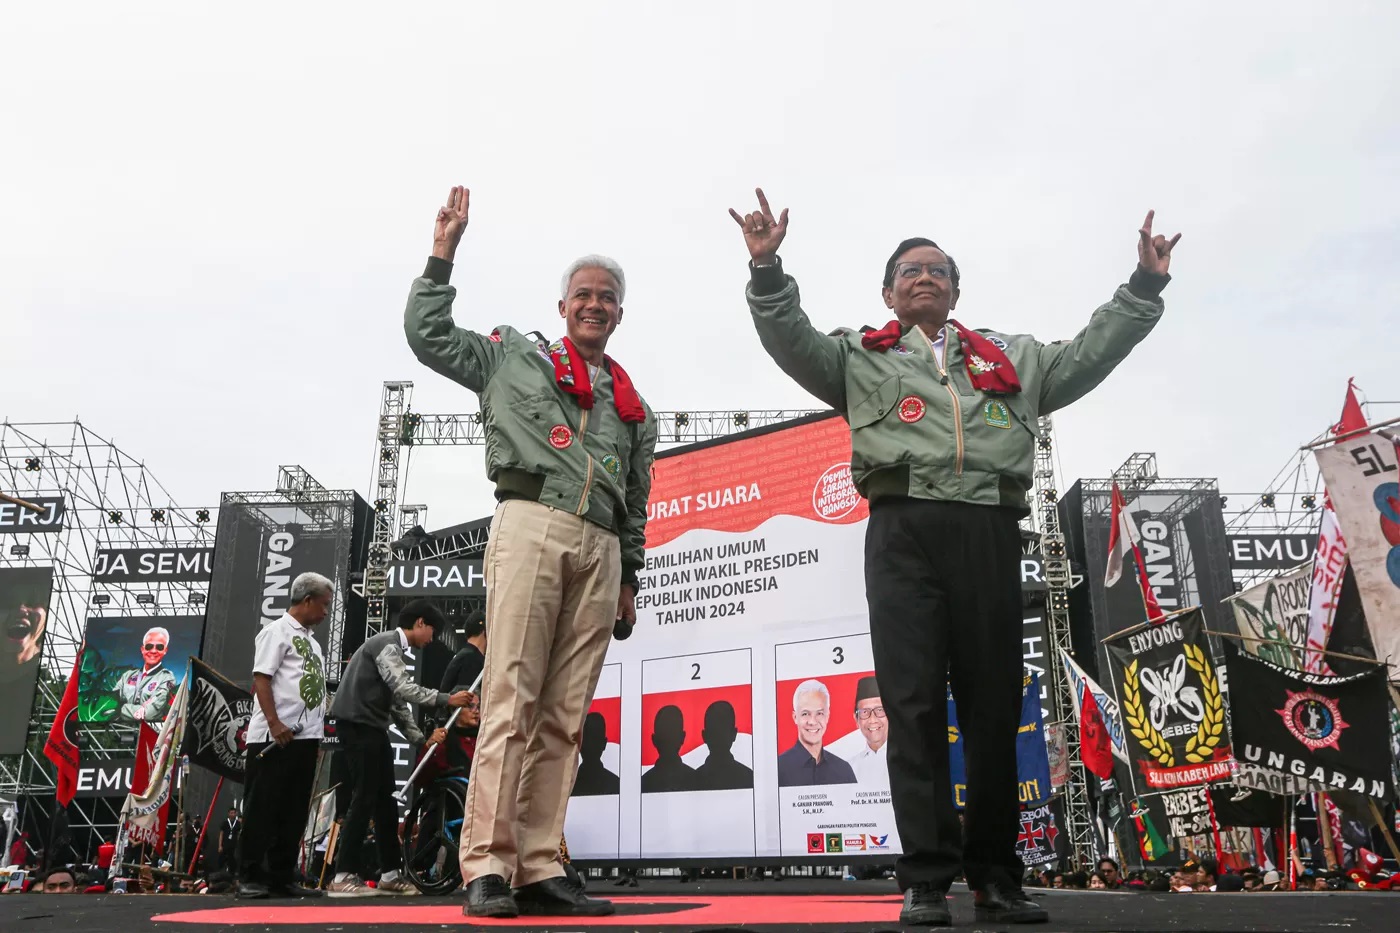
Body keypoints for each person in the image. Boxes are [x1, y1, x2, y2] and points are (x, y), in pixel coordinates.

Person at [733, 188, 1178, 926]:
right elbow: (791, 339)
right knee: (910, 706)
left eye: (937, 270)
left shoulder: (1014, 358)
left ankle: (996, 876)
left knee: (992, 706)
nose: (924, 277)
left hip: (988, 531)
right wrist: (767, 269)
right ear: (888, 292)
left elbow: (1089, 353)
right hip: (902, 532)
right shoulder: (859, 357)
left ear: (956, 289)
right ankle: (927, 879)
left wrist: (1143, 288)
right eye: (909, 271)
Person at [404, 186, 657, 919]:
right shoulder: (515, 356)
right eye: (584, 295)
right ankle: (487, 863)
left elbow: (638, 497)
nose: (595, 305)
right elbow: (428, 336)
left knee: (565, 715)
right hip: (530, 521)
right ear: (563, 306)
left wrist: (630, 577)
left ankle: (540, 864)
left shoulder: (634, 405)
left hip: (601, 545)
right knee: (510, 698)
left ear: (619, 313)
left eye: (607, 298)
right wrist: (442, 254)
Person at [326, 599, 471, 897]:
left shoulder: (392, 650)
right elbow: (404, 689)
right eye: (432, 632)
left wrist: (420, 740)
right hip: (358, 727)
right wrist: (447, 698)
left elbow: (397, 704)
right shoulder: (386, 644)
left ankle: (390, 873)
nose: (432, 639)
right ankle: (342, 875)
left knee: (386, 802)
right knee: (364, 797)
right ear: (420, 623)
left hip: (372, 729)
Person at [238, 572, 333, 899]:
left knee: (293, 810)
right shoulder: (275, 632)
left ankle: (282, 876)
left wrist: (316, 736)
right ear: (307, 600)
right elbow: (261, 678)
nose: (325, 612)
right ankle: (249, 875)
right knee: (262, 807)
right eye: (323, 605)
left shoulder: (313, 643)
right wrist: (274, 722)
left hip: (304, 738)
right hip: (273, 737)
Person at [777, 680, 856, 786]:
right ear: (795, 717)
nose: (812, 722)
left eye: (819, 713)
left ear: (827, 716)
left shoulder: (844, 771)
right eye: (805, 714)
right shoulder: (777, 769)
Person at [116, 626, 177, 723]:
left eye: (159, 647)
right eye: (149, 646)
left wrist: (122, 708)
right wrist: (138, 709)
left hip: (151, 731)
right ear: (142, 649)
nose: (153, 651)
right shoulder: (127, 676)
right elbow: (111, 705)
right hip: (119, 730)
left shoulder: (167, 678)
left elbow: (149, 713)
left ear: (165, 650)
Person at [693, 700, 753, 791]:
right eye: (715, 731)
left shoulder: (693, 780)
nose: (719, 736)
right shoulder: (748, 777)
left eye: (722, 731)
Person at [641, 706, 698, 793]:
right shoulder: (696, 779)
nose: (668, 739)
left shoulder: (644, 782)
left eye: (672, 734)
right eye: (665, 735)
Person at [847, 676, 888, 786]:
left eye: (880, 710)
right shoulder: (849, 768)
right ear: (856, 719)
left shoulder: (908, 760)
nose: (872, 720)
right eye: (865, 712)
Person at [573, 712, 620, 796]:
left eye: (594, 739)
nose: (590, 745)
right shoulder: (615, 784)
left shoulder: (568, 785)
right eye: (587, 739)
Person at [215, 808, 240, 873]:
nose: (233, 814)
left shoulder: (237, 823)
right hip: (224, 845)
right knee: (221, 861)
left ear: (236, 814)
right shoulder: (225, 823)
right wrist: (220, 846)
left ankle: (232, 874)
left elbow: (238, 835)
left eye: (234, 813)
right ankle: (220, 873)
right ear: (228, 814)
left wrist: (237, 845)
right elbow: (221, 834)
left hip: (233, 846)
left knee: (232, 862)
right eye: (231, 813)